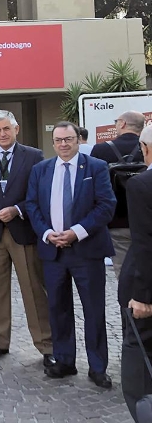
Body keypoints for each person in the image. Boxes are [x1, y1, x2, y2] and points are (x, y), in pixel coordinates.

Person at [25, 121, 116, 388]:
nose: (63, 144)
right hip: (52, 251)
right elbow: (32, 205)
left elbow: (106, 205)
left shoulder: (96, 167)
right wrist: (46, 233)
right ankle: (64, 361)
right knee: (58, 309)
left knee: (93, 309)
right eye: (58, 140)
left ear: (78, 140)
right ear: (52, 143)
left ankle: (98, 367)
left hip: (86, 251)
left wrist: (77, 231)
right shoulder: (41, 170)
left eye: (68, 139)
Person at [0, 110, 54, 367]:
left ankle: (46, 344)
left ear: (16, 129)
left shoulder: (33, 156)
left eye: (6, 129)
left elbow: (39, 193)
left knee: (33, 289)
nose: (2, 134)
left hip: (22, 231)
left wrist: (17, 209)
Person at [120, 124, 152, 422]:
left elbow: (145, 244)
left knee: (138, 364)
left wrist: (142, 297)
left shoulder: (142, 184)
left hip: (146, 296)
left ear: (145, 149)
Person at [91, 110, 145, 278]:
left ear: (122, 124)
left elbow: (92, 188)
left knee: (123, 273)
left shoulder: (101, 150)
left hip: (116, 221)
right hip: (146, 220)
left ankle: (127, 303)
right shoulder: (147, 147)